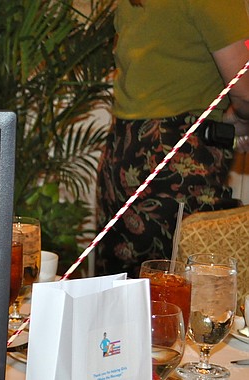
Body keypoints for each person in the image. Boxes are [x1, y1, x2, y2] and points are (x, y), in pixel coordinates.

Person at [95, 0, 249, 277]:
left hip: (123, 153)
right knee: (187, 290)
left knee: (124, 292)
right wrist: (240, 118)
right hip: (178, 162)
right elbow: (245, 90)